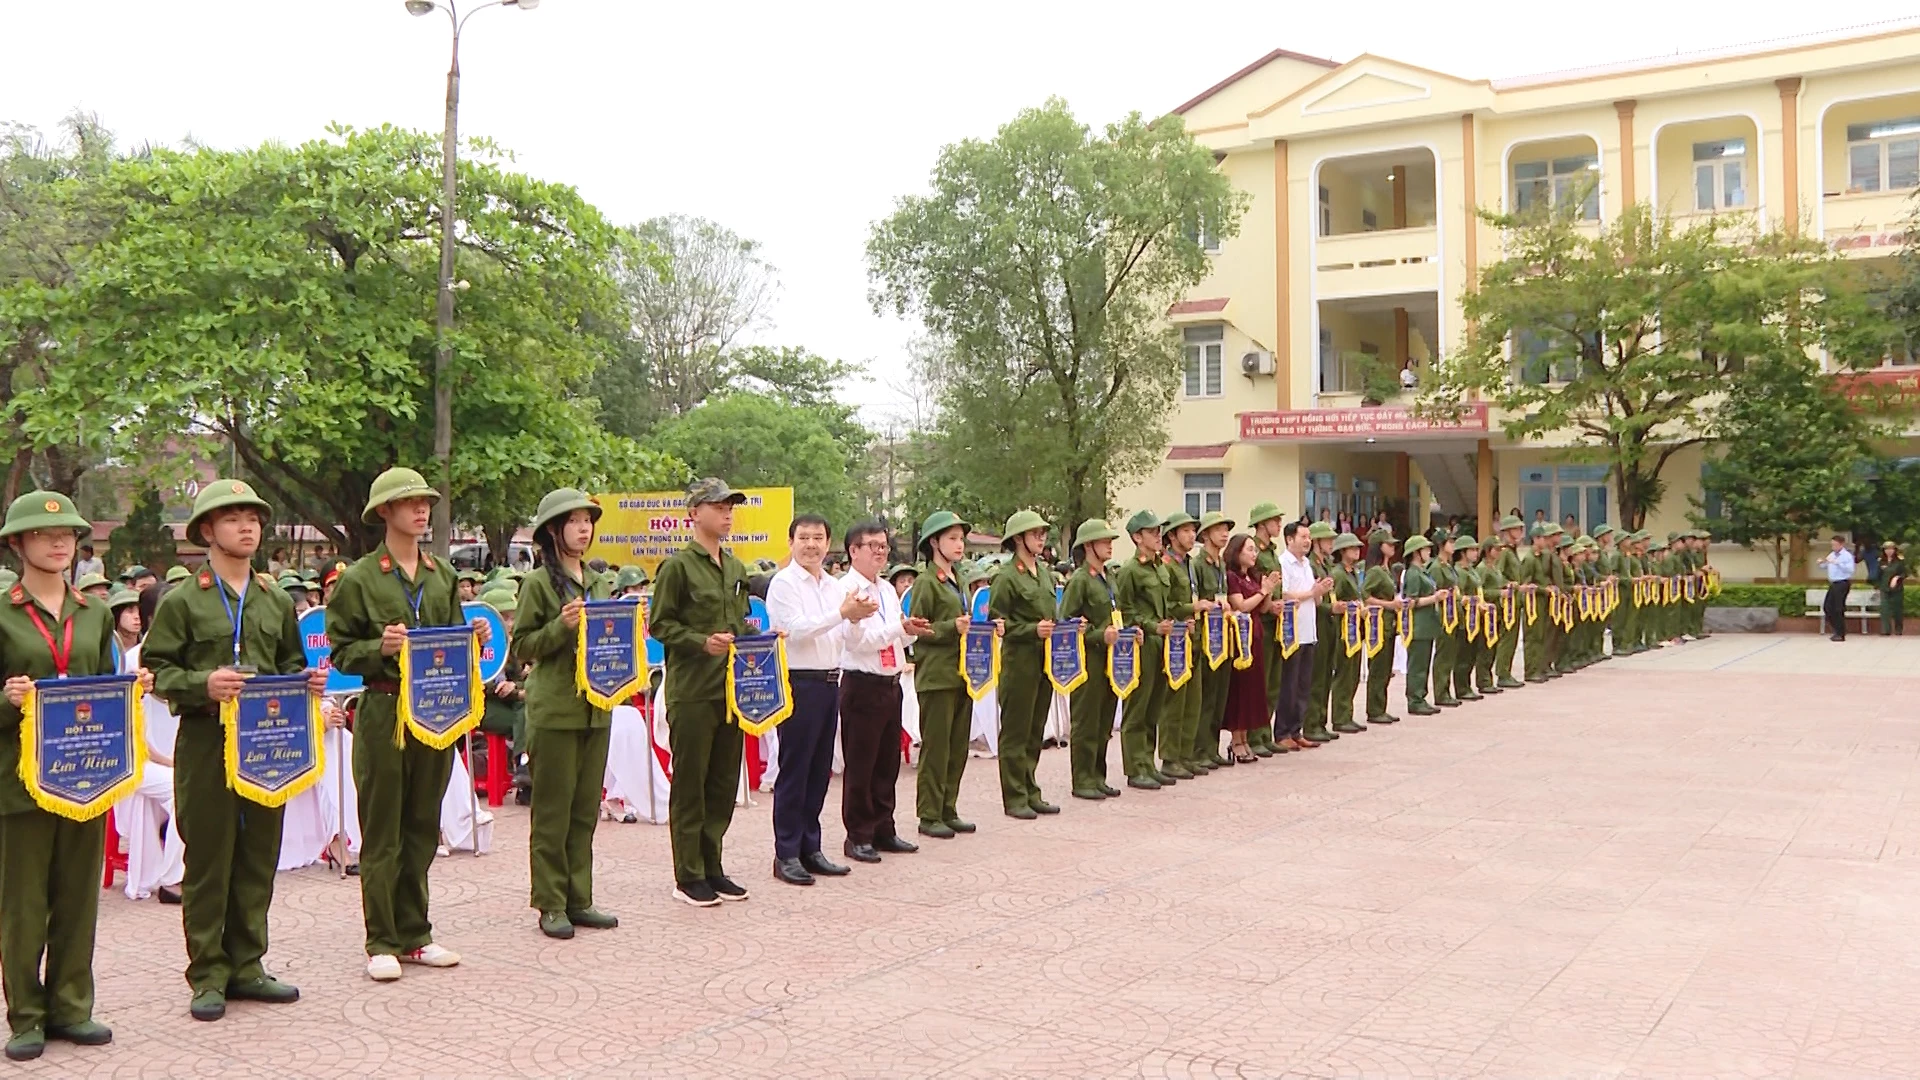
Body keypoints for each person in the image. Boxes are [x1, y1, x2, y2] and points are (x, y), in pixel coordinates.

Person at [143, 480, 319, 1021]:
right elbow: (156, 671)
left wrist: (306, 682)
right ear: (206, 531)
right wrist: (202, 684)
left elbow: (290, 663)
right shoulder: (182, 601)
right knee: (210, 858)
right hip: (205, 741)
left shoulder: (273, 599)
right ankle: (208, 974)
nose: (248, 527)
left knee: (258, 855)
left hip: (268, 745)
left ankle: (248, 965)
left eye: (254, 519)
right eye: (233, 518)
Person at [326, 467, 490, 979]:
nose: (422, 510)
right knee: (382, 828)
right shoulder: (357, 578)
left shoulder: (440, 574)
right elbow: (340, 653)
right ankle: (381, 939)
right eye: (409, 502)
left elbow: (449, 641)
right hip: (381, 709)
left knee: (422, 824)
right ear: (384, 513)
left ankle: (416, 933)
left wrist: (475, 636)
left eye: (425, 502)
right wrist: (381, 648)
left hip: (434, 712)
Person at [0, 492, 133, 1061]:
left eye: (70, 536)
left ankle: (72, 1005)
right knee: (24, 902)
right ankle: (26, 1014)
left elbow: (105, 684)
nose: (59, 543)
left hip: (87, 774)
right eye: (43, 535)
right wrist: (7, 701)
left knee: (79, 897)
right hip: (20, 780)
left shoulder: (94, 610)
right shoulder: (2, 610)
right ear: (17, 544)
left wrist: (132, 693)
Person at [511, 488, 619, 940]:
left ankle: (580, 897)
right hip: (555, 707)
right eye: (573, 520)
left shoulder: (598, 582)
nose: (583, 528)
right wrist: (561, 625)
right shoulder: (538, 584)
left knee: (584, 809)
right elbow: (521, 647)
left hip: (596, 706)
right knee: (553, 811)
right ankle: (551, 902)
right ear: (553, 531)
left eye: (587, 520)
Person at [648, 478, 755, 908]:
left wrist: (760, 635)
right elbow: (660, 625)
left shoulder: (735, 567)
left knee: (723, 782)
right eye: (719, 506)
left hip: (730, 690)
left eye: (731, 507)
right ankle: (687, 872)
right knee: (690, 783)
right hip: (692, 690)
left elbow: (741, 620)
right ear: (695, 512)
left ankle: (713, 865)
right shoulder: (678, 567)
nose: (727, 514)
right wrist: (699, 641)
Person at [765, 513, 864, 885]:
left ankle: (811, 846)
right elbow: (795, 631)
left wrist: (857, 619)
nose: (811, 544)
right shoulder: (784, 583)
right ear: (791, 542)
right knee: (795, 769)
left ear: (828, 543)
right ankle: (786, 852)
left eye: (818, 537)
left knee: (820, 769)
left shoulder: (834, 585)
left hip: (829, 681)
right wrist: (841, 614)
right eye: (803, 537)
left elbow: (847, 639)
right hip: (798, 682)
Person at [839, 520, 931, 860]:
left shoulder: (888, 590)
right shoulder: (846, 590)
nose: (880, 552)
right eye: (872, 546)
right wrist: (897, 627)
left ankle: (883, 827)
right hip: (862, 683)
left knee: (886, 763)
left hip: (890, 682)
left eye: (884, 546)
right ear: (854, 551)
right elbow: (858, 642)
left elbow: (896, 637)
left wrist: (910, 630)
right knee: (861, 764)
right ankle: (858, 834)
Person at [990, 510, 1063, 818]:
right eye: (1035, 533)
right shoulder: (1006, 577)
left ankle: (1030, 788)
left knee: (1035, 729)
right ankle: (1015, 796)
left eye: (1043, 532)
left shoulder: (1044, 572)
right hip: (1019, 661)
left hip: (1043, 660)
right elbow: (998, 623)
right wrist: (1031, 630)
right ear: (1018, 539)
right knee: (1016, 731)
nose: (1041, 537)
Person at [910, 512, 976, 838]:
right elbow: (918, 630)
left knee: (957, 746)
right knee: (936, 747)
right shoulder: (926, 583)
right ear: (934, 542)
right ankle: (929, 813)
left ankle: (948, 807)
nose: (959, 544)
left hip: (961, 672)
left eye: (961, 538)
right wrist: (953, 627)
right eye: (952, 538)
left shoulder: (958, 579)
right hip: (936, 676)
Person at [1059, 520, 1123, 799]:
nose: (1109, 544)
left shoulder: (1108, 577)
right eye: (1103, 539)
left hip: (1111, 657)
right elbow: (1066, 624)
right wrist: (1098, 635)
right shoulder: (1080, 580)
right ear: (1087, 546)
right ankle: (1082, 779)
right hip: (1087, 660)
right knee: (1086, 720)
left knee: (1104, 721)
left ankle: (1098, 776)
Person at [1116, 512, 1174, 789]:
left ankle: (1148, 763)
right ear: (1137, 537)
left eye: (1158, 531)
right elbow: (1125, 612)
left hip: (1162, 643)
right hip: (1142, 644)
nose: (1158, 536)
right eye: (1151, 532)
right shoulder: (1130, 571)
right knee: (1137, 708)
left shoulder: (1159, 567)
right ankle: (1134, 767)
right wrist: (1151, 627)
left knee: (1154, 707)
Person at [1156, 512, 1208, 779]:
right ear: (1172, 536)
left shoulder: (1190, 564)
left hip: (1194, 637)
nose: (1191, 536)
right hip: (1175, 640)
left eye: (1192, 530)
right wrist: (1192, 607)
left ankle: (1186, 754)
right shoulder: (1165, 565)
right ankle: (1169, 757)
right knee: (1174, 703)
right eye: (1185, 531)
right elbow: (1167, 606)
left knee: (1193, 701)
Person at [1221, 533, 1280, 761]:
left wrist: (1268, 589)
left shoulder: (1252, 577)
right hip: (1240, 639)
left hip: (1256, 635)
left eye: (1255, 550)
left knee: (1254, 689)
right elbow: (1242, 606)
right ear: (1237, 552)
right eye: (1250, 549)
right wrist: (1262, 591)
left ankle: (1245, 738)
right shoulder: (1232, 577)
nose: (1254, 554)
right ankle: (1236, 740)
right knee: (1240, 689)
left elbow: (1263, 608)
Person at [1276, 521, 1332, 750]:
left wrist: (1320, 591)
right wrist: (1312, 592)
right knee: (1288, 685)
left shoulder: (1307, 564)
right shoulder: (1284, 563)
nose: (1308, 541)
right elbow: (1286, 595)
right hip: (1292, 633)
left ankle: (1296, 729)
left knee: (1303, 684)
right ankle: (1282, 732)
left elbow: (1315, 599)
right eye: (1303, 537)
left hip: (1310, 631)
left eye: (1309, 537)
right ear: (1290, 539)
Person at [1192, 512, 1234, 769]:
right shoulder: (1198, 564)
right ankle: (1200, 749)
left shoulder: (1220, 564)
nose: (1224, 533)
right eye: (1218, 529)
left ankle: (1212, 746)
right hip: (1206, 636)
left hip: (1222, 635)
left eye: (1226, 528)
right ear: (1205, 534)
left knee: (1219, 696)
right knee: (1206, 696)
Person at [1246, 502, 1288, 757]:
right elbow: (1255, 584)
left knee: (1273, 681)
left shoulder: (1272, 552)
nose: (1278, 525)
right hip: (1262, 618)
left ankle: (1265, 732)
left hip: (1277, 621)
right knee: (1259, 681)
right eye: (1274, 520)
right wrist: (1269, 605)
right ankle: (1254, 734)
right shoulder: (1255, 552)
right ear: (1262, 524)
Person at [1301, 521, 1339, 742]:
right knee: (1316, 675)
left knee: (1326, 673)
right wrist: (1329, 607)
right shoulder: (1312, 566)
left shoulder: (1325, 564)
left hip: (1328, 619)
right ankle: (1311, 722)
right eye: (1327, 539)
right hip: (1317, 619)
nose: (1331, 543)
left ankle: (1321, 721)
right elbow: (1313, 595)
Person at [1325, 532, 1367, 734]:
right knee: (1344, 673)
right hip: (1343, 628)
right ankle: (1340, 716)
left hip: (1355, 627)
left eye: (1358, 548)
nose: (1356, 551)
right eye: (1352, 548)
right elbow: (1334, 601)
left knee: (1353, 673)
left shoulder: (1353, 572)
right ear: (1342, 551)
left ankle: (1347, 713)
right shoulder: (1338, 574)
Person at [1399, 536, 1443, 716]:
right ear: (1416, 552)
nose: (1428, 552)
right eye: (1425, 549)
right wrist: (1434, 598)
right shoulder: (1413, 573)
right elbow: (1410, 601)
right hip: (1418, 625)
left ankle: (1421, 697)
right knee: (1417, 665)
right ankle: (1415, 699)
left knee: (1424, 663)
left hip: (1428, 624)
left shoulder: (1422, 571)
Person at [1360, 527, 1401, 724]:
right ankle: (1374, 709)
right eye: (1389, 544)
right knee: (1378, 667)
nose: (1392, 547)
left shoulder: (1388, 570)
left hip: (1390, 623)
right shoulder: (1375, 571)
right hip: (1378, 624)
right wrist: (1389, 605)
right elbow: (1365, 596)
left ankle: (1381, 706)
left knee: (1386, 668)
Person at [1428, 533, 1461, 708]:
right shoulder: (1436, 567)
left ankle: (1446, 690)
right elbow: (1436, 590)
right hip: (1443, 615)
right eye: (1450, 541)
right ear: (1441, 544)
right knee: (1443, 655)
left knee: (1450, 654)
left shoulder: (1448, 566)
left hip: (1453, 614)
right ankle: (1441, 692)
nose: (1453, 545)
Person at [1450, 536, 1484, 702]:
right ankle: (1461, 687)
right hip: (1465, 618)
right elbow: (1459, 595)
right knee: (1462, 655)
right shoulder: (1459, 571)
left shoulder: (1472, 570)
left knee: (1471, 654)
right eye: (1472, 550)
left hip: (1475, 617)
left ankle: (1467, 685)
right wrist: (1470, 601)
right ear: (1462, 552)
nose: (1475, 553)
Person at [1821, 534, 1857, 641]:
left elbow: (1850, 570)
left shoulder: (1846, 556)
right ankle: (1836, 629)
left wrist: (1838, 563)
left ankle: (1841, 633)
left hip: (1842, 583)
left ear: (1841, 544)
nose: (1833, 546)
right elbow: (1825, 565)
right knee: (1827, 606)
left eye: (1835, 544)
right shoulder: (1832, 554)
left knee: (1838, 608)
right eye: (1832, 544)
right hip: (1833, 583)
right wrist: (1822, 563)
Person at [1875, 540, 1905, 636]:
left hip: (1897, 589)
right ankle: (1885, 630)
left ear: (1894, 550)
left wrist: (1897, 577)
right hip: (1884, 588)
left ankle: (1898, 629)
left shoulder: (1899, 560)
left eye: (1891, 549)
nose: (1889, 551)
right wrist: (1877, 586)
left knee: (1897, 610)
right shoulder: (1881, 561)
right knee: (1884, 609)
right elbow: (1878, 575)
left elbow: (1904, 573)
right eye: (1886, 549)